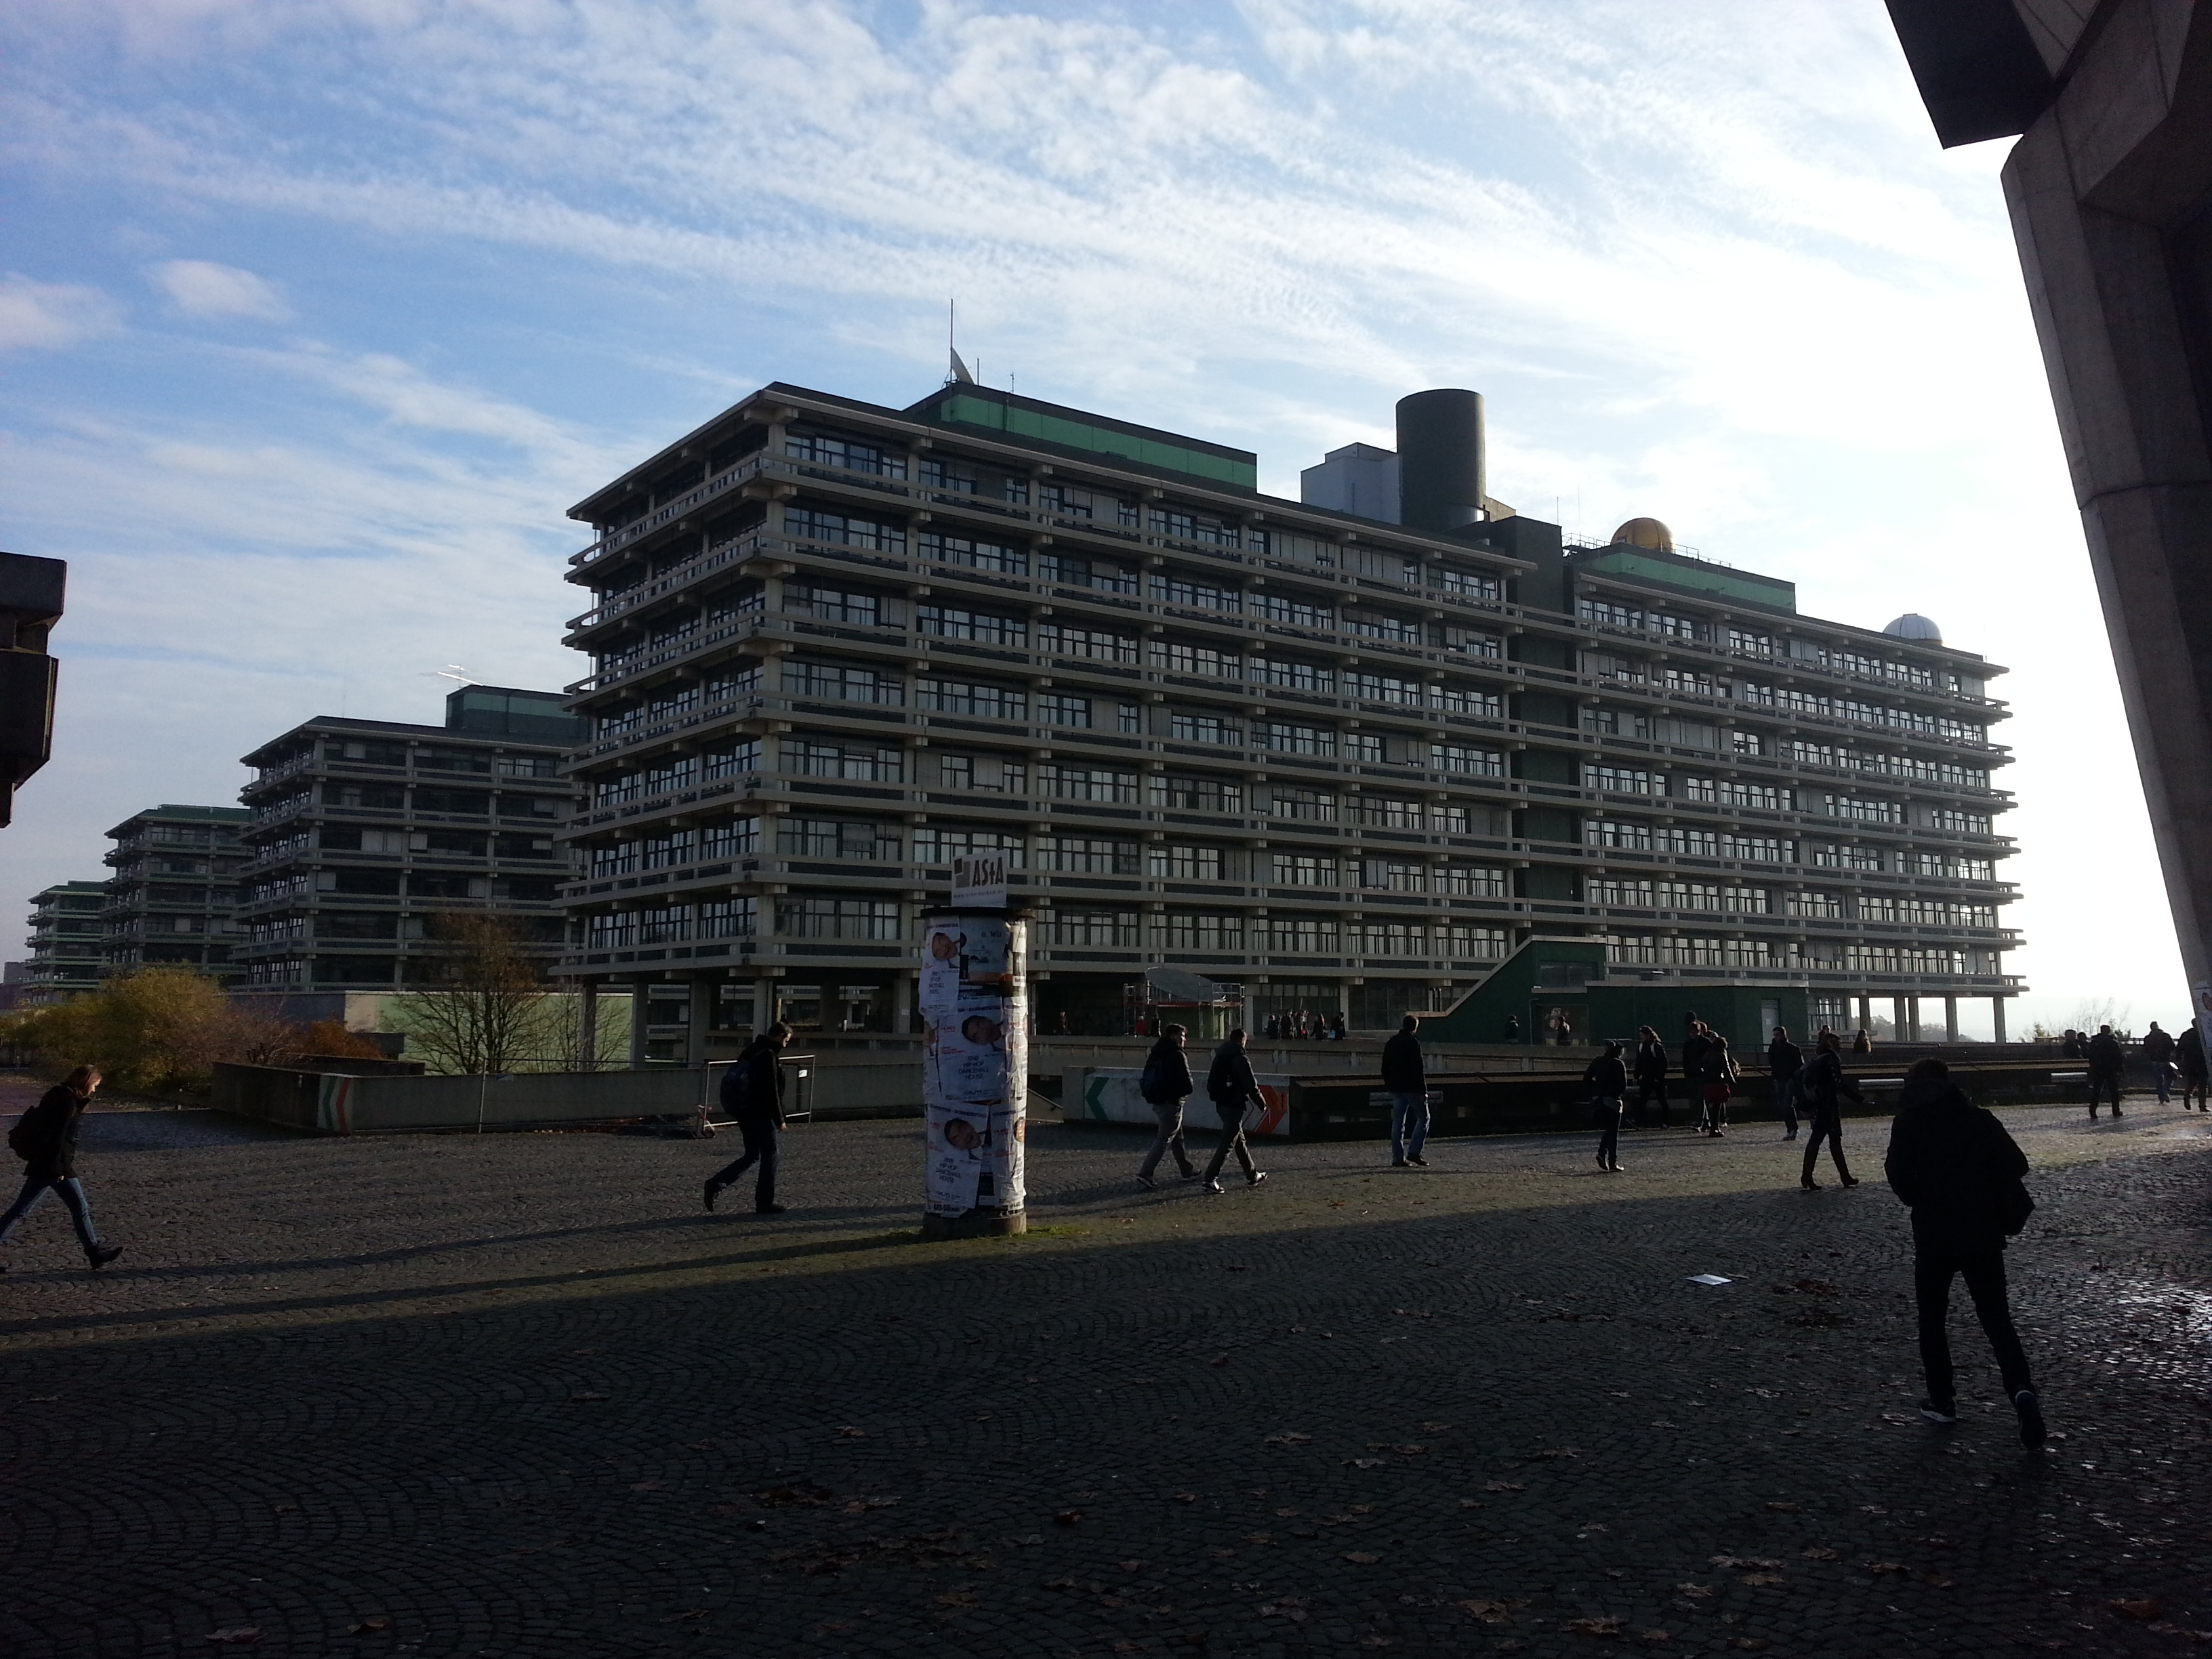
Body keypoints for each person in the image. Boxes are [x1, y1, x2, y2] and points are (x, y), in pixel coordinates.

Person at [1883, 1057, 2045, 1446]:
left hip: (1934, 1233)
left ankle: (1942, 1399)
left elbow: (1899, 1177)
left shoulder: (1908, 1121)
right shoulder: (1980, 1119)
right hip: (1982, 1231)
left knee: (1933, 1320)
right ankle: (2021, 1390)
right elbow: (2017, 1164)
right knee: (1996, 1319)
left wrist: (1923, 1196)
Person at [1, 1065, 124, 1271]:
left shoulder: (58, 1096)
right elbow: (56, 1137)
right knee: (78, 1208)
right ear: (85, 1082)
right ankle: (95, 1252)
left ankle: (95, 1253)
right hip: (55, 1165)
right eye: (94, 1086)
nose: (94, 1090)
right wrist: (56, 1168)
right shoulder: (66, 1102)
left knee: (21, 1210)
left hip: (46, 1163)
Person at [703, 1023, 793, 1214]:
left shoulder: (751, 1050)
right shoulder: (768, 1056)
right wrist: (780, 1119)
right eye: (785, 1041)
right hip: (760, 1113)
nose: (785, 1046)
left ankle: (716, 1183)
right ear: (778, 1036)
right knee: (771, 1156)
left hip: (743, 1111)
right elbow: (771, 1091)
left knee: (753, 1155)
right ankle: (764, 1202)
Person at [1202, 1028, 1269, 1193]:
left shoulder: (1219, 1056)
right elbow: (1250, 1084)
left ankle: (1252, 1174)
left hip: (1221, 1103)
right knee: (1228, 1143)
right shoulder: (1240, 1058)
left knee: (1239, 1141)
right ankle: (1210, 1179)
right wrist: (1262, 1103)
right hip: (1234, 1103)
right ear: (1242, 1041)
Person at [1135, 1023, 1199, 1191]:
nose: (1184, 1039)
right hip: (1172, 1102)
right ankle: (1146, 1172)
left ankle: (1187, 1170)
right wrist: (1182, 1095)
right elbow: (1187, 1082)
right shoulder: (1177, 1054)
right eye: (1182, 1035)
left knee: (1177, 1136)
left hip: (1157, 1099)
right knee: (1164, 1138)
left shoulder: (1156, 1052)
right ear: (1173, 1036)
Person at [1799, 1031, 1861, 1190]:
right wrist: (1857, 1098)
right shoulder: (1832, 1060)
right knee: (1833, 1141)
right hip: (1828, 1105)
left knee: (1816, 1141)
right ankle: (1843, 1176)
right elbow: (1838, 1084)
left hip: (1817, 1104)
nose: (1841, 1046)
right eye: (1838, 1044)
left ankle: (1808, 1176)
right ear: (1831, 1045)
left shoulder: (1817, 1059)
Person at [1381, 1016, 1429, 1168]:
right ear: (1414, 1027)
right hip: (1412, 1088)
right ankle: (1414, 1151)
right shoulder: (1414, 1043)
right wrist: (1423, 1090)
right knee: (1424, 1118)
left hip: (1396, 1088)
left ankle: (1398, 1158)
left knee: (1398, 1123)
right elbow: (1418, 1069)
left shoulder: (1392, 1042)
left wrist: (1389, 1084)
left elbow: (1384, 1066)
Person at [1585, 1040, 1627, 1172]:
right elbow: (1623, 1086)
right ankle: (1611, 1161)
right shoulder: (1618, 1064)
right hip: (1612, 1101)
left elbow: (1586, 1078)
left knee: (1609, 1129)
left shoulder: (1598, 1061)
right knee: (1613, 1132)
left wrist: (1597, 1090)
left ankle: (1602, 1153)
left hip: (1598, 1100)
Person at [1767, 1025, 1805, 1141]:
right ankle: (1792, 1129)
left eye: (1777, 1035)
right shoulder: (1775, 1049)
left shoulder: (1790, 1049)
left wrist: (1793, 1078)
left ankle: (1792, 1129)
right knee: (1784, 1105)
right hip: (1780, 1079)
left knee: (1787, 1105)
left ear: (1783, 1035)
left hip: (1789, 1080)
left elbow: (1799, 1066)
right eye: (1775, 1035)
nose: (1776, 1037)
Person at [1631, 1025, 1671, 1128]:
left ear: (1648, 1035)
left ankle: (1640, 1122)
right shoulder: (1644, 1046)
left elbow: (1663, 1062)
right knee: (1645, 1100)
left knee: (1658, 1100)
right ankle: (1639, 1122)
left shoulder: (1655, 1046)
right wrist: (1637, 1075)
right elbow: (1639, 1062)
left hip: (1654, 1078)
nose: (1641, 1037)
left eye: (1642, 1035)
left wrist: (1658, 1076)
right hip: (1650, 1078)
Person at [2085, 1023, 2125, 1118]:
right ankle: (2116, 1111)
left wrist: (2093, 1067)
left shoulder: (2094, 1042)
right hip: (2110, 1069)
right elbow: (2118, 1056)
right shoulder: (2112, 1042)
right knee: (2114, 1091)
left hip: (2098, 1069)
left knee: (2097, 1090)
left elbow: (2090, 1055)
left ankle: (2093, 1110)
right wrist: (2120, 1068)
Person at [2141, 1021, 2175, 1105]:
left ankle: (2161, 1097)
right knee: (2170, 1077)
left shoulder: (2148, 1038)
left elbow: (2145, 1050)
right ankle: (2166, 1090)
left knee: (2158, 1080)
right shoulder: (2166, 1036)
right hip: (2166, 1060)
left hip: (2154, 1060)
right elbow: (2172, 1046)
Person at [2179, 1023, 2209, 1112]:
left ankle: (2187, 1096)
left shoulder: (2186, 1034)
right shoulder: (2204, 1034)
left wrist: (2179, 1059)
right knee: (2203, 1085)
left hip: (2190, 1062)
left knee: (2191, 1082)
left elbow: (2180, 1048)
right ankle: (2202, 1106)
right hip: (2203, 1062)